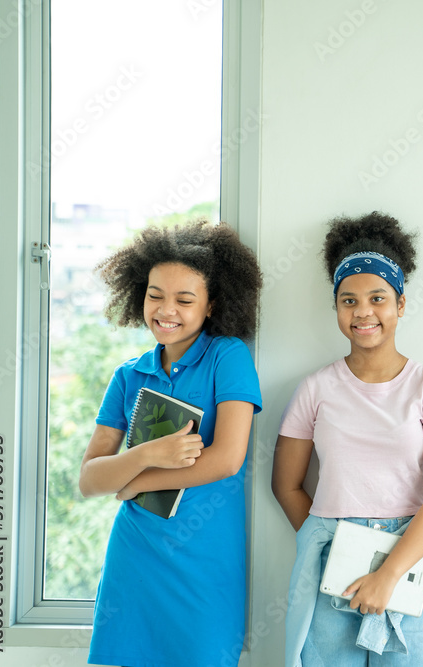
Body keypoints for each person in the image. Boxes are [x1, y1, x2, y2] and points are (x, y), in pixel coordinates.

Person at [271, 211, 423, 667]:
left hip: (409, 554)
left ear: (400, 304)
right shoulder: (315, 388)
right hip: (330, 561)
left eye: (377, 298)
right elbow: (285, 485)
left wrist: (388, 572)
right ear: (337, 308)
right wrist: (329, 541)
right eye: (348, 301)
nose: (363, 312)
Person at [79, 218, 263, 667]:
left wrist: (135, 483)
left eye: (185, 299)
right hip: (135, 556)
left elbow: (227, 459)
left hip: (205, 561)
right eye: (155, 295)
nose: (167, 309)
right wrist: (147, 455)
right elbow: (89, 479)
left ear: (211, 305)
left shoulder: (228, 357)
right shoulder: (128, 376)